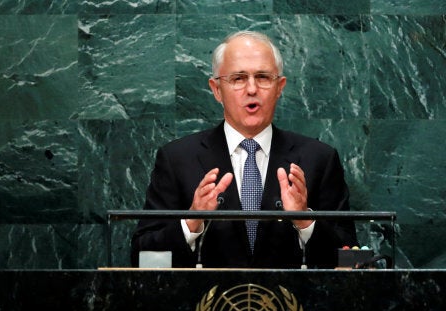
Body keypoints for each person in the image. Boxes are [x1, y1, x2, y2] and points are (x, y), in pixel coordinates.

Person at [131, 30, 357, 268]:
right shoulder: (177, 159)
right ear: (216, 89)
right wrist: (191, 220)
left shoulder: (319, 159)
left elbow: (349, 258)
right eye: (238, 78)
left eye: (262, 77)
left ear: (280, 87)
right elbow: (142, 256)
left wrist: (305, 220)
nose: (251, 89)